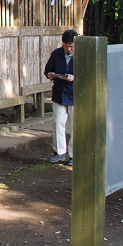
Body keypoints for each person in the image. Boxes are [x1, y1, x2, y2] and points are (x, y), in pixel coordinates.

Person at [44, 30, 76, 164]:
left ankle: (74, 155)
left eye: (71, 46)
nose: (68, 49)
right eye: (66, 46)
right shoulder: (56, 53)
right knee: (58, 122)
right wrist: (50, 75)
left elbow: (89, 73)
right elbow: (47, 70)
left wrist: (75, 77)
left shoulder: (83, 54)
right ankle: (59, 151)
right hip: (59, 92)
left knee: (75, 125)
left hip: (75, 93)